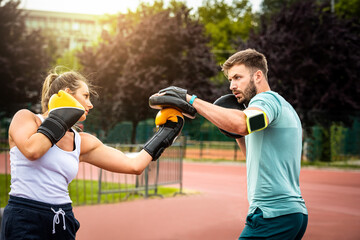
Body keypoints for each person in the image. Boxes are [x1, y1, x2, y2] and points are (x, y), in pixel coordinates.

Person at [0, 68, 184, 240]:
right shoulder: (26, 118)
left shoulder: (82, 141)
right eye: (85, 96)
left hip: (63, 219)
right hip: (24, 217)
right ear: (65, 94)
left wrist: (166, 133)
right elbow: (33, 151)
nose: (90, 104)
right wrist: (60, 115)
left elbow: (134, 165)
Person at [150, 49, 308, 239]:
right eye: (230, 80)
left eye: (237, 77)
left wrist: (190, 100)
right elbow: (255, 157)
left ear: (258, 76)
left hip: (272, 215)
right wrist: (237, 135)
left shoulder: (266, 100)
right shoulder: (281, 107)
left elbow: (243, 123)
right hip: (290, 214)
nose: (232, 86)